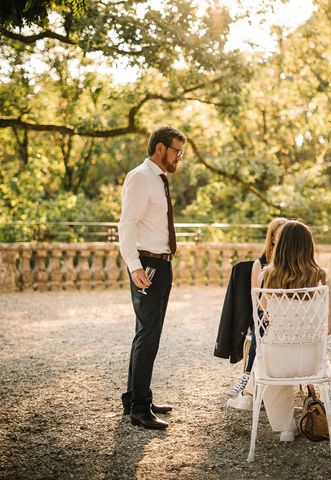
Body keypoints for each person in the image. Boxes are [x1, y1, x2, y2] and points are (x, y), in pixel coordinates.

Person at [228, 220, 331, 442]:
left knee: (269, 361)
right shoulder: (322, 277)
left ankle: (285, 428)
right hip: (312, 362)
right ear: (309, 246)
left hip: (278, 362)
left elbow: (263, 318)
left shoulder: (266, 276)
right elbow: (329, 326)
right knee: (272, 359)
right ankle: (251, 396)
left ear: (281, 246)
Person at [118, 125, 186, 430]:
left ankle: (136, 396)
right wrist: (134, 266)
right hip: (147, 264)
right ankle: (140, 410)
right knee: (147, 336)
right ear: (160, 148)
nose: (179, 157)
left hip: (162, 263)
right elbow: (126, 225)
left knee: (148, 333)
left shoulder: (159, 179)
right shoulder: (140, 177)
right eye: (176, 151)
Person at [228, 217, 288, 397]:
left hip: (288, 314)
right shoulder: (260, 264)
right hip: (265, 313)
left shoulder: (292, 263)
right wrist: (268, 313)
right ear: (273, 238)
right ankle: (249, 375)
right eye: (280, 234)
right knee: (261, 324)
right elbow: (257, 299)